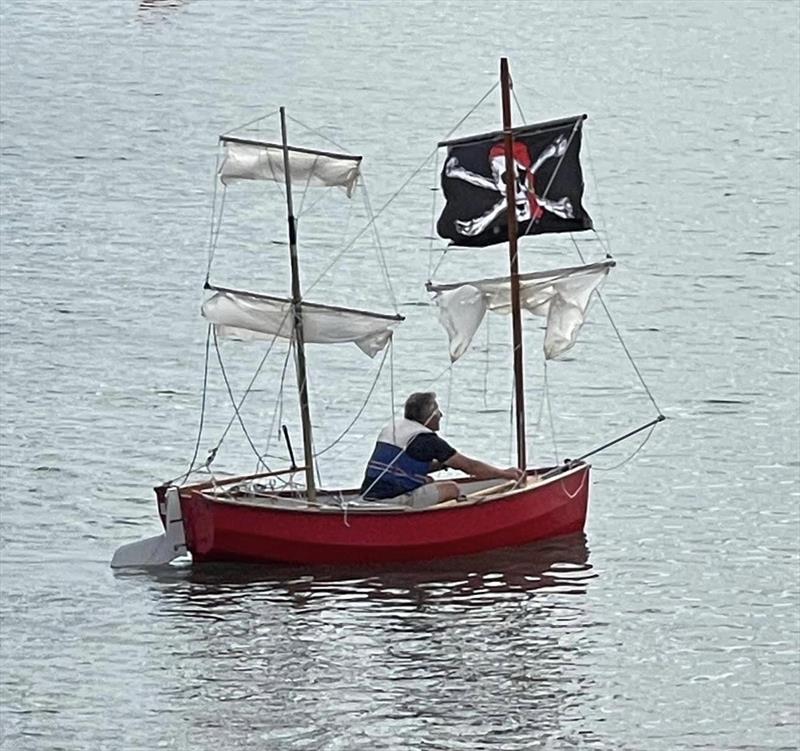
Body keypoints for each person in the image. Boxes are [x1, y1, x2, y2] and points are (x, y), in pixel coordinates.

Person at [360, 391, 525, 508]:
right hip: (389, 500)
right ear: (430, 415)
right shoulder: (427, 439)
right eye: (438, 411)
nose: (441, 415)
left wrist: (441, 465)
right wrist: (505, 474)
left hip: (368, 494)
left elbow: (404, 463)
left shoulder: (394, 428)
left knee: (429, 481)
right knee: (451, 488)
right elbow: (470, 467)